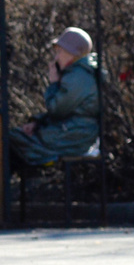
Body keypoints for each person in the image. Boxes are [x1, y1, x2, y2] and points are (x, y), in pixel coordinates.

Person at [12, 27, 103, 171]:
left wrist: (54, 83)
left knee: (12, 138)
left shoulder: (78, 76)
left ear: (72, 53)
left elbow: (56, 110)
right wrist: (37, 122)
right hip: (74, 132)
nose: (56, 58)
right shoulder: (80, 73)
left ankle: (41, 165)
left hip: (74, 137)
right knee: (16, 138)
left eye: (59, 52)